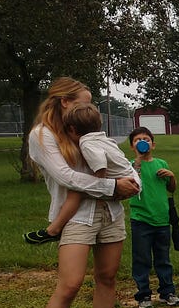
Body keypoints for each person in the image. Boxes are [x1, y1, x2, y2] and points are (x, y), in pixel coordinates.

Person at [27, 77, 140, 308]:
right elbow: (66, 178)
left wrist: (129, 184)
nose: (89, 108)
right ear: (64, 101)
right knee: (70, 284)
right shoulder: (43, 136)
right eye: (83, 102)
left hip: (110, 213)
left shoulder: (88, 130)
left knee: (107, 278)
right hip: (76, 217)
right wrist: (113, 186)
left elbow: (120, 163)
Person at [24, 103, 139, 244]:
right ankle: (53, 230)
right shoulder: (104, 139)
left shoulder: (86, 143)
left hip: (124, 180)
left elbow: (100, 163)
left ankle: (53, 230)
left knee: (76, 192)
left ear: (72, 129)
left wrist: (101, 183)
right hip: (132, 178)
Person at [128, 126, 179, 308]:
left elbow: (171, 189)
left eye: (146, 139)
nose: (143, 142)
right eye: (137, 140)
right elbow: (131, 184)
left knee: (163, 258)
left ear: (153, 144)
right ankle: (143, 295)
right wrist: (138, 161)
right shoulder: (131, 166)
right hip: (141, 219)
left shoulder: (161, 163)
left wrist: (172, 176)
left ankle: (167, 292)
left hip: (162, 220)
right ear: (132, 147)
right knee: (141, 259)